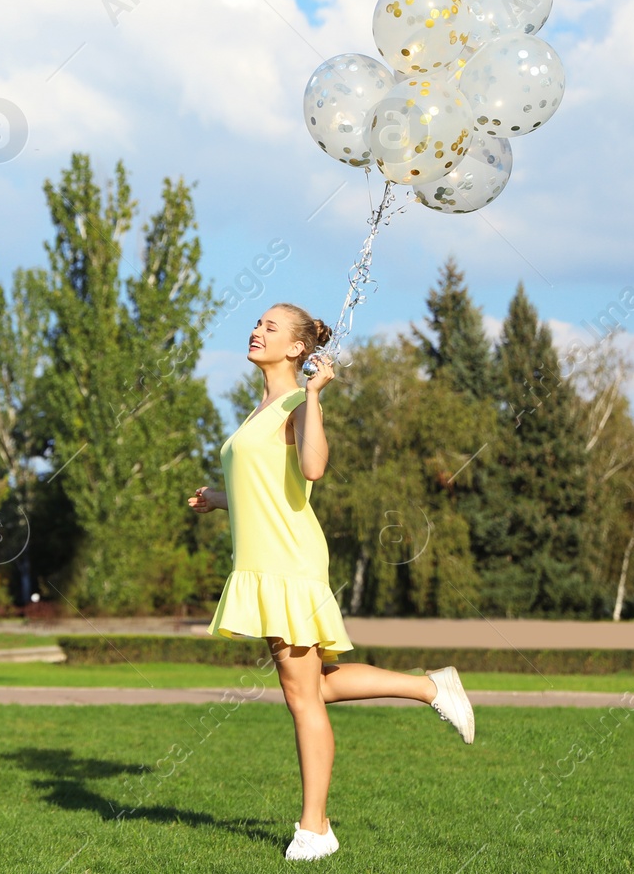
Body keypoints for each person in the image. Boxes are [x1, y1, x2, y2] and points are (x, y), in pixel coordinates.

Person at [188, 302, 475, 862]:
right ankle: (431, 687)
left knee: (302, 697)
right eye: (257, 322)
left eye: (270, 327)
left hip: (287, 565)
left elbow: (313, 467)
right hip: (265, 560)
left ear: (297, 348)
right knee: (313, 686)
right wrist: (220, 498)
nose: (256, 331)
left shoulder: (295, 401)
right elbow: (269, 483)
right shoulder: (263, 406)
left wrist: (316, 395)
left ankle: (315, 828)